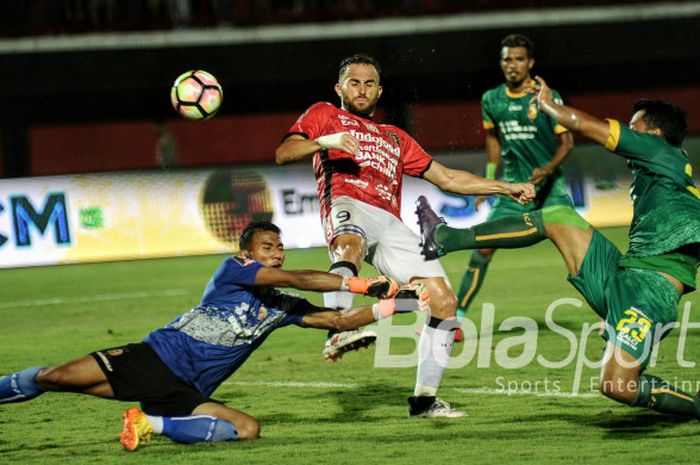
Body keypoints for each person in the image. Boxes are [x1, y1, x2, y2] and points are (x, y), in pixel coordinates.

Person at [415, 79, 700, 418]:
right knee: (558, 215)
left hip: (649, 293)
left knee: (618, 386)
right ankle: (445, 238)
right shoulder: (661, 173)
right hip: (623, 273)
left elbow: (585, 126)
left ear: (652, 134)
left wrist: (549, 106)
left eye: (633, 125)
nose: (628, 130)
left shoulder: (659, 152)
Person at [275, 53, 535, 417]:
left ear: (379, 91)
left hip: (390, 222)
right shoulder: (324, 115)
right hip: (347, 202)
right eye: (354, 82)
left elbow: (448, 179)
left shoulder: (394, 137)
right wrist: (325, 141)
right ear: (339, 88)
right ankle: (337, 329)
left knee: (443, 300)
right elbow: (284, 152)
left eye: (369, 84)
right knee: (349, 247)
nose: (361, 89)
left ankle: (424, 401)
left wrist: (504, 188)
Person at [0, 221, 412, 450]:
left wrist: (402, 304)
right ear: (249, 253)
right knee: (52, 377)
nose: (277, 253)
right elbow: (300, 277)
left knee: (248, 429)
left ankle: (148, 424)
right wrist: (360, 284)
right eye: (268, 247)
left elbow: (338, 323)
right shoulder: (234, 269)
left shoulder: (281, 307)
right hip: (154, 359)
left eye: (280, 246)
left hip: (187, 391)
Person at [455, 33, 574, 325]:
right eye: (507, 59)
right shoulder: (491, 99)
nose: (513, 65)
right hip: (512, 190)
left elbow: (567, 142)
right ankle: (455, 320)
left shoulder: (546, 97)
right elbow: (494, 138)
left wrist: (547, 169)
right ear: (501, 62)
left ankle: (610, 316)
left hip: (550, 191)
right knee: (482, 248)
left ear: (530, 62)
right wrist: (490, 180)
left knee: (577, 253)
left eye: (519, 59)